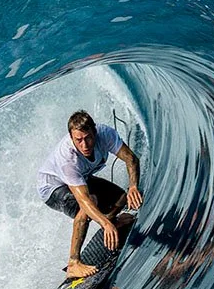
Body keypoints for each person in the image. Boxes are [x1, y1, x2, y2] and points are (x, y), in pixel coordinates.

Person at [37, 110, 143, 278]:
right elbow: (84, 200)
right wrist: (105, 224)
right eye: (78, 140)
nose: (84, 145)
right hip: (52, 189)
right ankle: (74, 263)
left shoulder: (105, 134)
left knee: (121, 198)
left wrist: (133, 187)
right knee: (88, 205)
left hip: (82, 179)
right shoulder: (68, 159)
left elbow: (131, 159)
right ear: (72, 138)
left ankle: (112, 221)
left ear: (95, 132)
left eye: (88, 138)